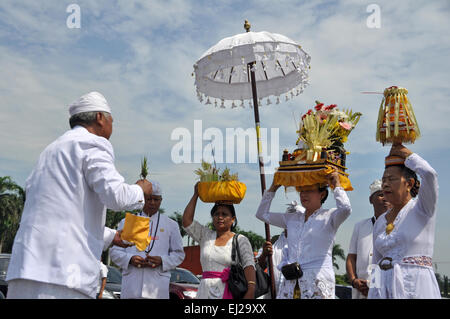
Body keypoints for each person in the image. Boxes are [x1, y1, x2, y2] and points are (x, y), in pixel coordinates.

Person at [6, 91, 153, 299]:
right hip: (62, 274)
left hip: (26, 270)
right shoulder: (91, 143)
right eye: (112, 120)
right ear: (100, 118)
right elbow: (116, 196)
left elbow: (60, 213)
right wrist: (141, 190)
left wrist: (112, 236)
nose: (113, 126)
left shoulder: (50, 151)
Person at [255, 171, 351, 299]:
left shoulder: (330, 216)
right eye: (302, 191)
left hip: (318, 280)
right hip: (291, 280)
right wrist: (273, 187)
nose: (304, 195)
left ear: (322, 194)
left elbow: (345, 209)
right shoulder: (292, 218)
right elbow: (261, 214)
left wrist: (337, 185)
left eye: (309, 190)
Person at [368, 143, 440, 299]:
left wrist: (407, 154)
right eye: (383, 179)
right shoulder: (380, 221)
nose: (385, 184)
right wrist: (373, 294)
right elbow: (375, 264)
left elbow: (430, 174)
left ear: (409, 184)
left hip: (416, 288)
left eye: (391, 179)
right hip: (384, 292)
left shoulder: (422, 209)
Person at [110, 181, 185, 299]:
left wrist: (162, 260)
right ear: (142, 199)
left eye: (156, 199)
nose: (152, 203)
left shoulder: (171, 225)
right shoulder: (127, 222)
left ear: (161, 200)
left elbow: (179, 254)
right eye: (149, 199)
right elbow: (114, 252)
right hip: (132, 285)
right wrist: (130, 259)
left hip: (157, 287)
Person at [182, 182, 256, 299]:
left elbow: (249, 265)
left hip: (229, 291)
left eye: (224, 214)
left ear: (232, 219)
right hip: (204, 292)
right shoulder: (205, 235)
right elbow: (186, 221)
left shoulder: (240, 240)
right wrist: (196, 194)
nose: (220, 217)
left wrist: (251, 289)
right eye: (216, 214)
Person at [346, 179, 390, 299]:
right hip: (360, 291)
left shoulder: (397, 226)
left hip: (385, 290)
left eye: (388, 194)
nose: (385, 198)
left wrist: (374, 285)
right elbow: (351, 257)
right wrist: (354, 281)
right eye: (381, 195)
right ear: (371, 200)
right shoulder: (360, 226)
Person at [255, 230, 287, 298]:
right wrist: (264, 254)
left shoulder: (306, 242)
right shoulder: (273, 241)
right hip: (272, 295)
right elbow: (258, 268)